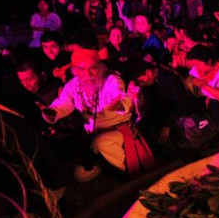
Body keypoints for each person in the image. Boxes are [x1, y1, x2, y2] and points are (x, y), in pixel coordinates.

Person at [42, 48, 153, 177]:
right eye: (82, 69)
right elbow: (63, 104)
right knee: (80, 175)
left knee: (101, 143)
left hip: (118, 132)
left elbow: (121, 96)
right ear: (75, 70)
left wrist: (118, 105)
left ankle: (131, 170)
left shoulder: (112, 81)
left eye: (92, 68)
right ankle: (105, 165)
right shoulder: (73, 85)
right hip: (91, 136)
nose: (87, 73)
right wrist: (52, 112)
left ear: (100, 67)